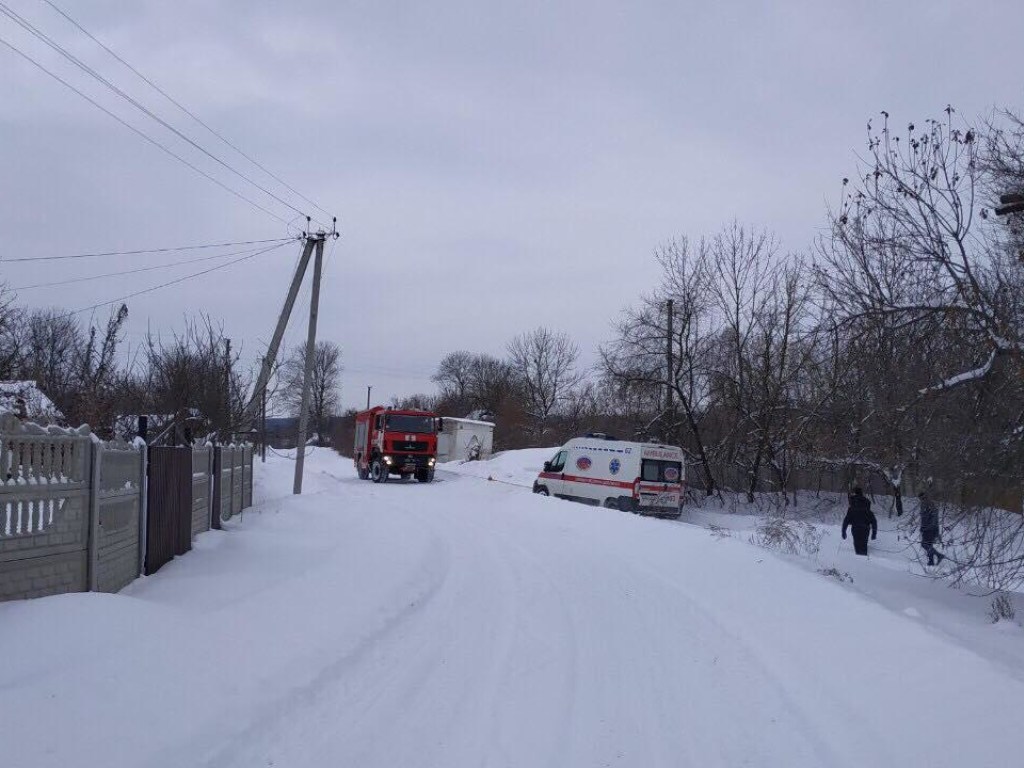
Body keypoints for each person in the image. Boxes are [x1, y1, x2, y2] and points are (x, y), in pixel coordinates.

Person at [842, 487, 878, 556]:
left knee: (857, 546)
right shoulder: (867, 507)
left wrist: (844, 531)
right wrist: (874, 533)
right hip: (865, 529)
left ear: (855, 493)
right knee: (864, 545)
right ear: (861, 493)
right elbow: (874, 521)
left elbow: (846, 521)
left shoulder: (851, 508)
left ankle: (859, 562)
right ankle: (864, 560)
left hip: (856, 529)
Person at [918, 491, 945, 566]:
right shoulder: (925, 504)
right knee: (928, 544)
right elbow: (924, 518)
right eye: (920, 498)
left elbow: (933, 518)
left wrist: (927, 527)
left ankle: (939, 556)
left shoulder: (929, 504)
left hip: (930, 529)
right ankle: (931, 561)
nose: (921, 499)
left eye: (921, 498)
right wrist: (922, 527)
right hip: (928, 528)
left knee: (925, 544)